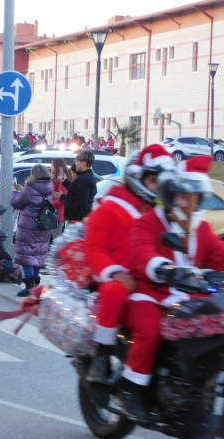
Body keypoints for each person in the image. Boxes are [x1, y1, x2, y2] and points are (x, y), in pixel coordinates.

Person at [117, 156, 224, 421]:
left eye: (194, 198)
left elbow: (223, 255)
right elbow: (140, 252)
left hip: (188, 295)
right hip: (149, 293)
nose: (189, 204)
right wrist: (162, 267)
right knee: (150, 330)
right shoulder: (149, 222)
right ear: (173, 197)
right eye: (184, 197)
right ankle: (131, 390)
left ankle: (196, 384)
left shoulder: (200, 229)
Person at [83, 145, 173, 384]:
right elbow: (95, 249)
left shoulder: (164, 213)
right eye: (154, 181)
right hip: (121, 280)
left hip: (154, 283)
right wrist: (114, 273)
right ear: (137, 177)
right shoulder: (111, 208)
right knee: (116, 291)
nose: (160, 187)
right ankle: (103, 352)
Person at [10, 165, 54, 296]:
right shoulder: (49, 188)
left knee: (26, 255)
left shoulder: (30, 189)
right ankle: (35, 284)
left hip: (29, 227)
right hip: (43, 227)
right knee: (37, 255)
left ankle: (30, 284)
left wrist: (14, 192)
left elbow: (16, 203)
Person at [58, 149, 97, 223]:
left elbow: (81, 202)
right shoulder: (86, 177)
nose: (75, 163)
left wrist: (73, 219)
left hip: (77, 220)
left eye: (77, 161)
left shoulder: (83, 179)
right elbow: (76, 191)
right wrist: (65, 182)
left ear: (83, 163)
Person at [50, 158, 69, 238]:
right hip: (53, 214)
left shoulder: (62, 180)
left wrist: (50, 204)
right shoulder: (54, 179)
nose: (50, 167)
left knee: (56, 239)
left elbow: (61, 199)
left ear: (56, 166)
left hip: (57, 215)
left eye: (52, 165)